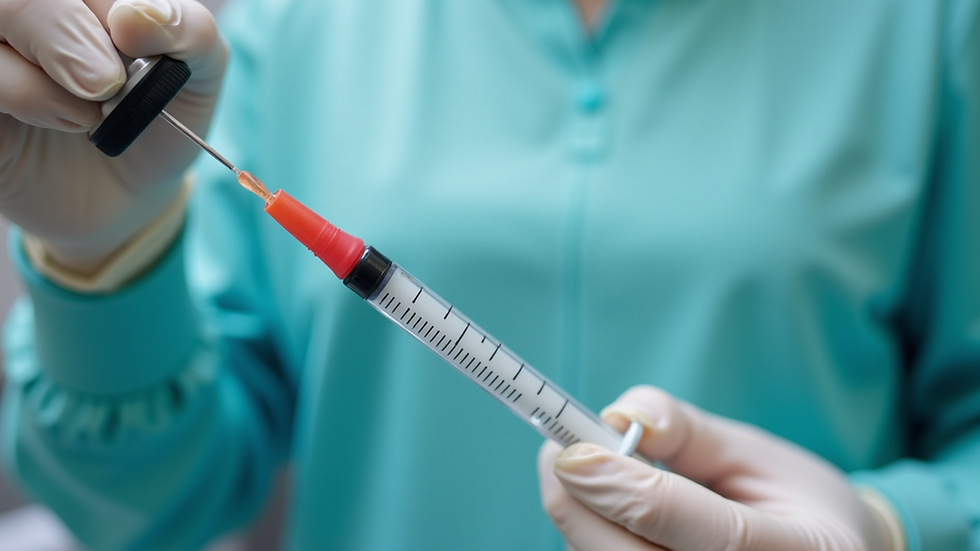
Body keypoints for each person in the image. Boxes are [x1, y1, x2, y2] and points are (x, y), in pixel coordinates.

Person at [0, 0, 977, 549]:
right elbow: (151, 501)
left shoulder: (926, 27)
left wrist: (887, 529)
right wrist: (102, 260)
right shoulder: (294, 26)